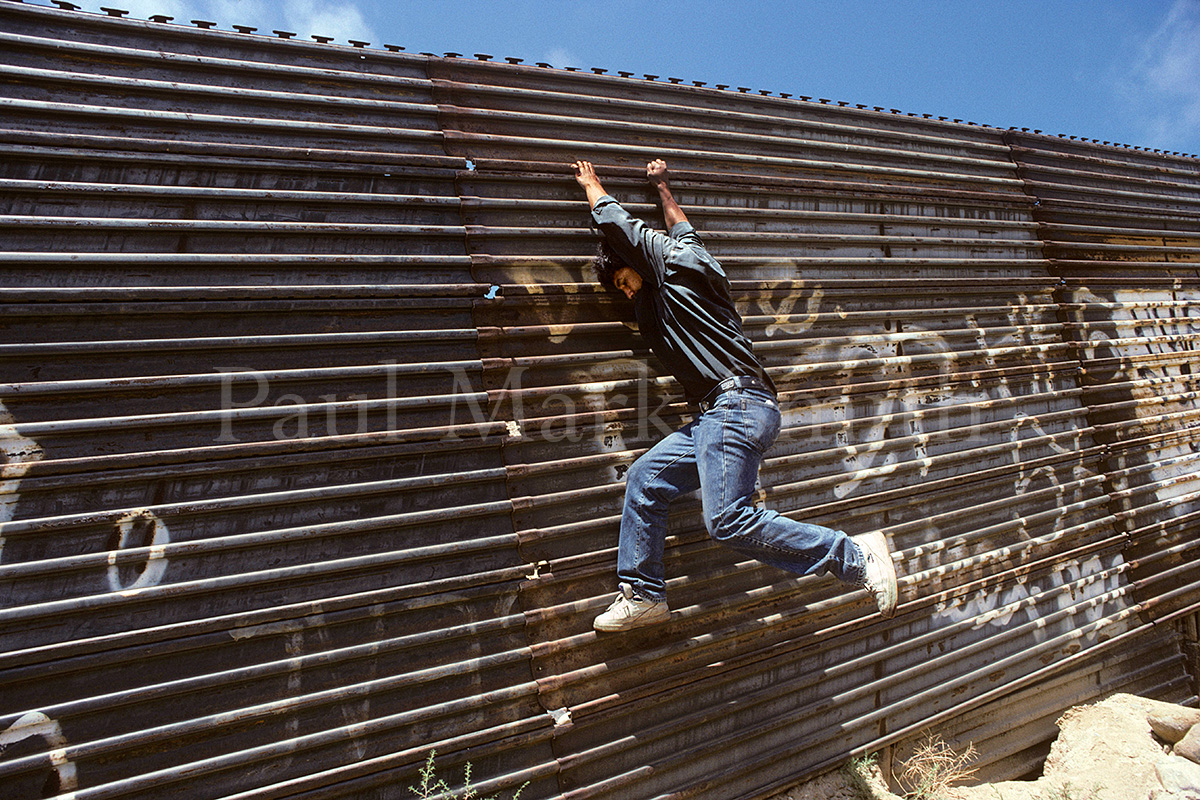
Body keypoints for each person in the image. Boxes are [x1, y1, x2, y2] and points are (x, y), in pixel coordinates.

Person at [571, 158, 899, 632]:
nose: (626, 294)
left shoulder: (665, 268)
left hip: (734, 406)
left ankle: (855, 556)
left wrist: (592, 185)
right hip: (721, 413)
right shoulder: (694, 256)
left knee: (727, 519)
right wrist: (662, 185)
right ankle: (644, 595)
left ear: (640, 263)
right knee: (645, 479)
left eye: (624, 281)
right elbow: (680, 223)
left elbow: (620, 226)